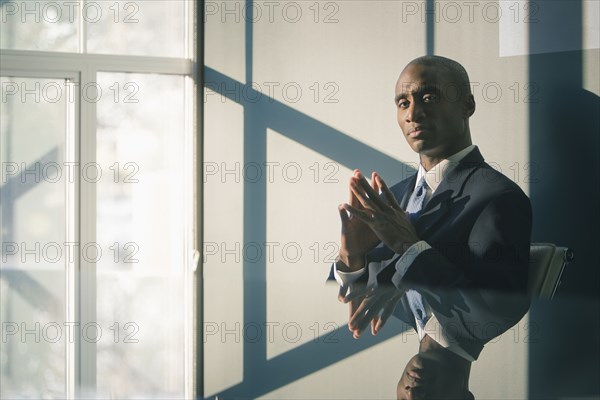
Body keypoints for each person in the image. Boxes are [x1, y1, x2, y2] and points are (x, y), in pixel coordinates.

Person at [330, 55, 532, 399]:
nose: (413, 112)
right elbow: (364, 298)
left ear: (467, 105)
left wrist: (410, 249)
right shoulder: (393, 200)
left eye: (429, 97)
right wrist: (351, 256)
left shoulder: (498, 196)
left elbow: (495, 309)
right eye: (403, 102)